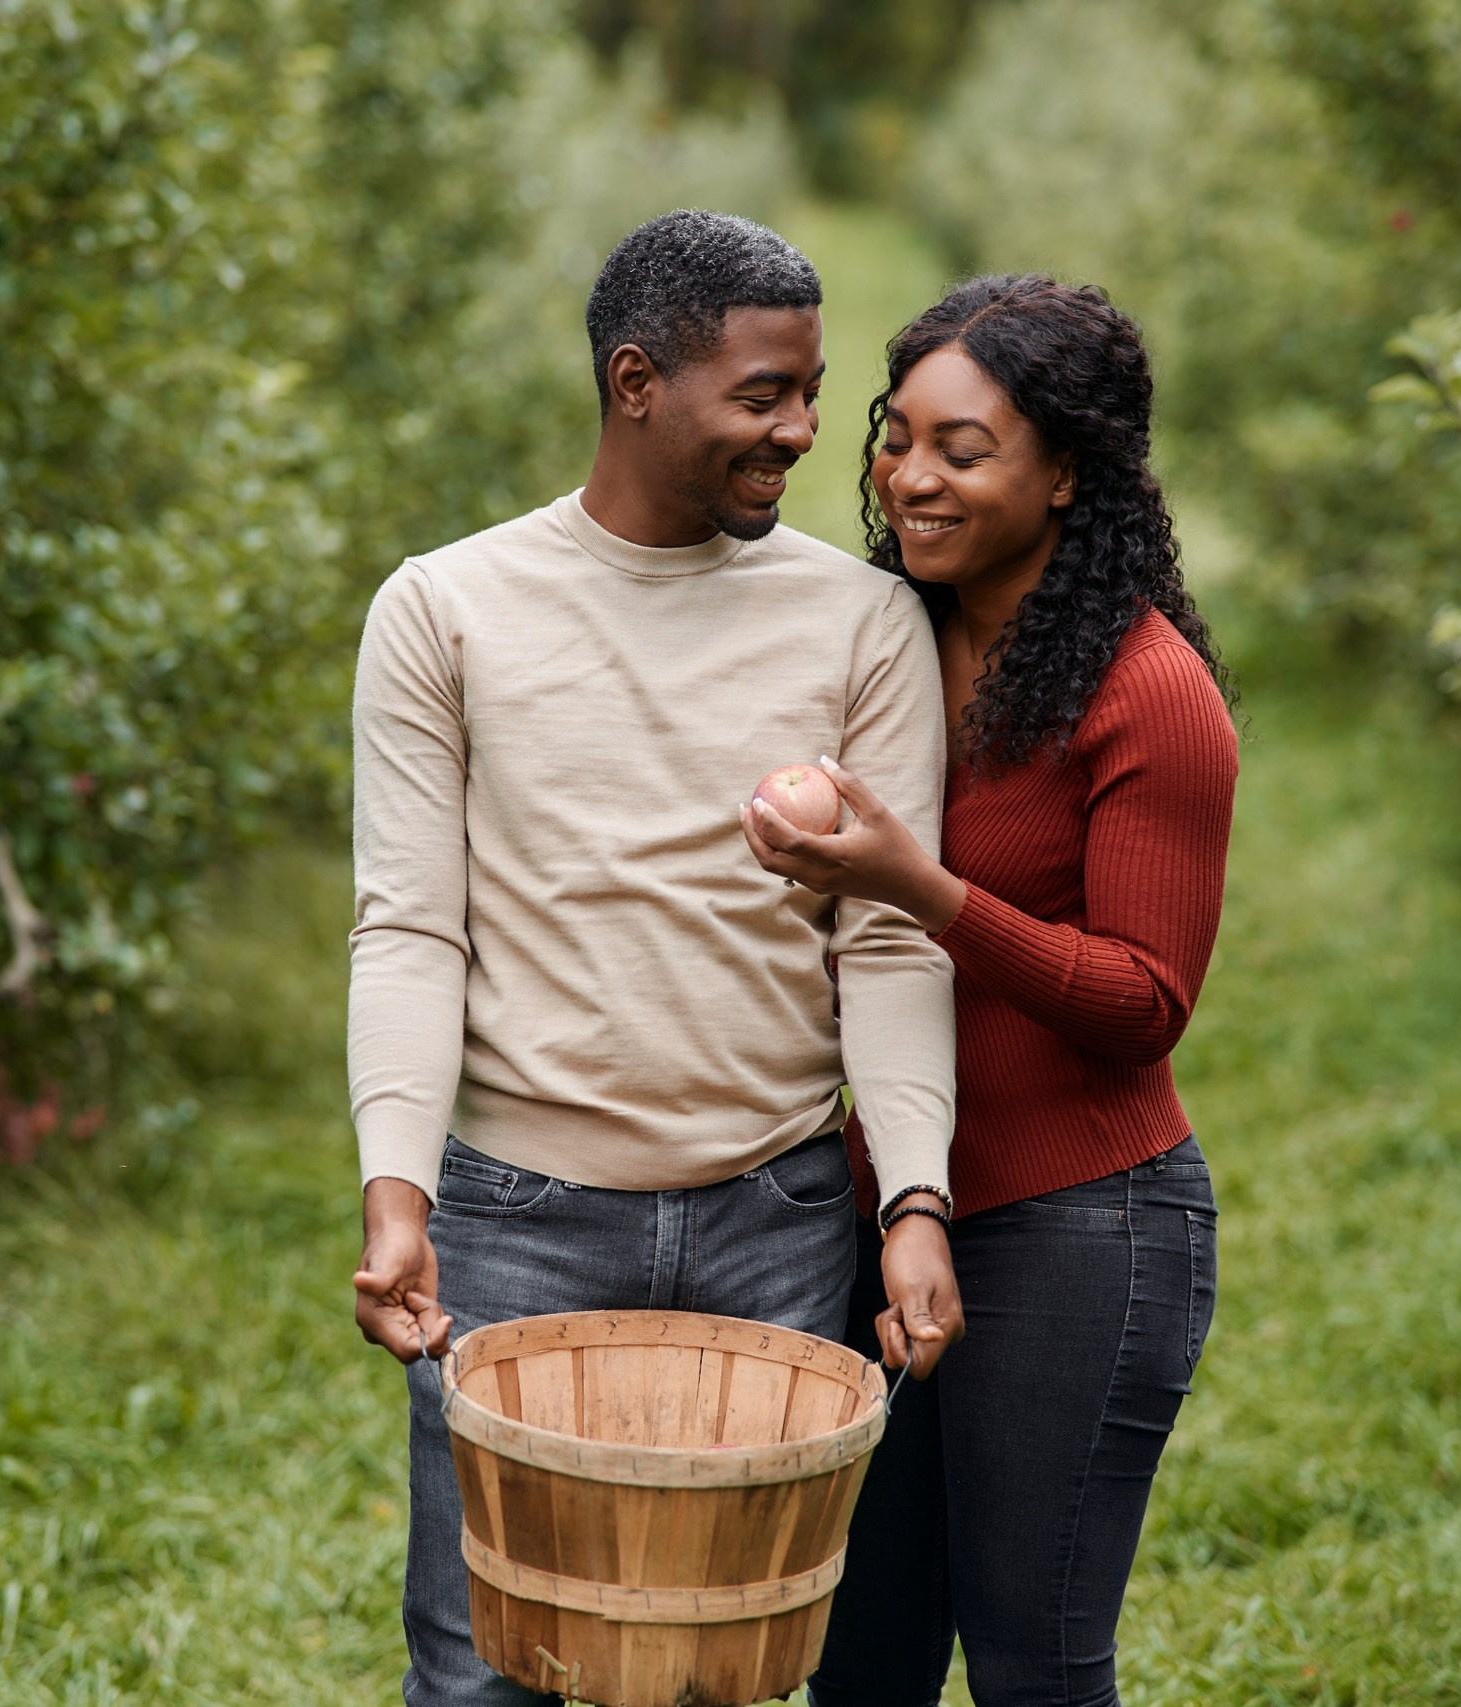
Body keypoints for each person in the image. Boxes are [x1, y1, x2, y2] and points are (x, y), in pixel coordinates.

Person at [347, 210, 968, 1707]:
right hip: (514, 1225)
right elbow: (412, 928)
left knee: (717, 1672)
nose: (807, 433)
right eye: (764, 396)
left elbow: (886, 941)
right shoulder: (447, 610)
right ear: (637, 382)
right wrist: (396, 1194)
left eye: (812, 393)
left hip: (778, 1219)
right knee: (486, 1667)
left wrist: (916, 1201)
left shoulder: (864, 622)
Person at [742, 275, 1238, 1707]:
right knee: (860, 1661)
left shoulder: (1149, 695)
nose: (910, 478)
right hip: (883, 1202)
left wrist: (919, 885)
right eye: (897, 438)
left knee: (1035, 1668)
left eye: (964, 452)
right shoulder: (890, 640)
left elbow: (1144, 1002)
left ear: (1069, 474)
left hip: (1081, 1225)